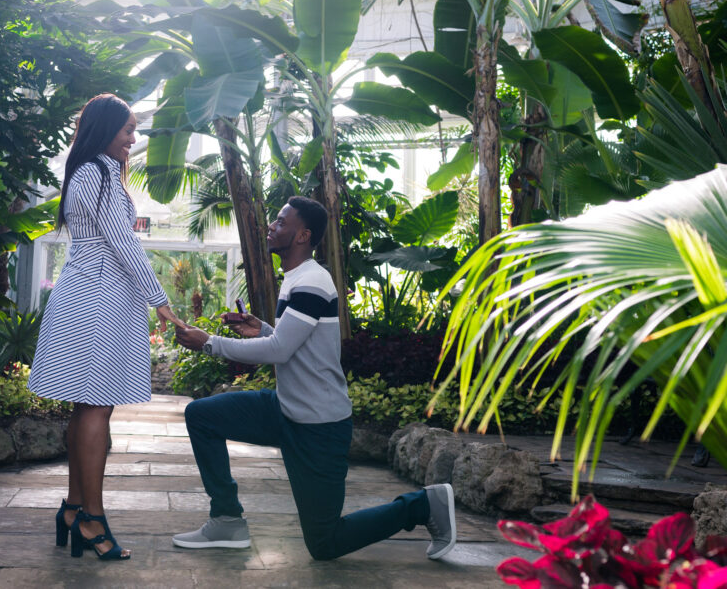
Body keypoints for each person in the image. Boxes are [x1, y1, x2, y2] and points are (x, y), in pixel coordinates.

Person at [172, 196, 457, 561]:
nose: (272, 226)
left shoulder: (313, 280)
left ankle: (424, 505)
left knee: (325, 542)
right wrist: (261, 329)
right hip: (285, 409)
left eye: (281, 222)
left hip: (318, 426)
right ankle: (226, 519)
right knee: (202, 415)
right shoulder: (296, 279)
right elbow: (291, 342)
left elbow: (280, 351)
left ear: (303, 235)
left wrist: (210, 343)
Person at [27, 93, 184, 561]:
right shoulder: (102, 178)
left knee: (86, 409)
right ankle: (92, 517)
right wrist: (162, 304)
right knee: (96, 410)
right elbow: (124, 245)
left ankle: (74, 509)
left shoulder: (84, 173)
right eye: (128, 130)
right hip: (98, 302)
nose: (133, 140)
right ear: (105, 129)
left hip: (82, 296)